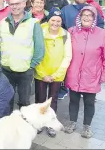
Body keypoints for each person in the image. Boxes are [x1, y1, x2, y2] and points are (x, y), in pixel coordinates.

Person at [64, 6, 105, 139]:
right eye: (84, 14)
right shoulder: (72, 31)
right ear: (79, 16)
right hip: (74, 73)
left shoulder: (103, 34)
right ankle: (72, 122)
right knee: (73, 100)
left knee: (89, 102)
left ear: (94, 18)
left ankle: (87, 126)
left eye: (90, 15)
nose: (86, 17)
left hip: (92, 75)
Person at [0, 0, 45, 112]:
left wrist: (31, 65)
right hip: (6, 68)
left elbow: (40, 48)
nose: (15, 7)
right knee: (7, 100)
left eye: (17, 3)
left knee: (24, 102)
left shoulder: (34, 23)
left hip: (25, 70)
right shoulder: (3, 22)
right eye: (12, 4)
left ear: (24, 4)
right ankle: (8, 125)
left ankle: (24, 126)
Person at [34, 8, 72, 138]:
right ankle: (38, 123)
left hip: (57, 74)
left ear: (62, 22)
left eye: (58, 21)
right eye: (53, 20)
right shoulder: (40, 31)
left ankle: (50, 124)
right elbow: (36, 53)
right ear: (48, 20)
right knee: (40, 100)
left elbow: (67, 57)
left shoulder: (66, 35)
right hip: (41, 73)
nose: (55, 23)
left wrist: (55, 75)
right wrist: (42, 73)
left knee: (53, 100)